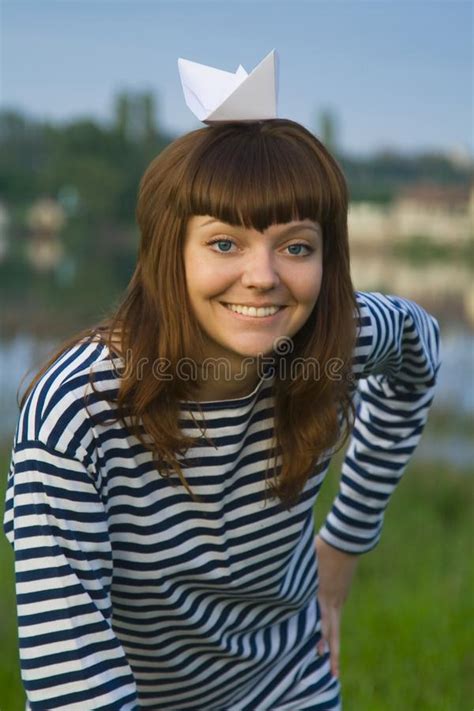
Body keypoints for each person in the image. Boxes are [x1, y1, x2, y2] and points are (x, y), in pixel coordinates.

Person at [4, 57, 441, 711]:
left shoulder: (332, 343)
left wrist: (343, 544)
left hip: (291, 683)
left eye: (296, 246)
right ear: (166, 254)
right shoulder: (76, 415)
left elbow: (419, 348)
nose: (263, 276)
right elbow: (75, 684)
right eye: (224, 244)